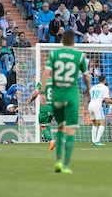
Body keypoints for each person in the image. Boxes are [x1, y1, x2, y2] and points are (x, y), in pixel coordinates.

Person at [40, 30, 91, 174]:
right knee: (71, 130)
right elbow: (86, 77)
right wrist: (88, 90)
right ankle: (66, 165)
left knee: (61, 127)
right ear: (74, 42)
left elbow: (46, 73)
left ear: (62, 41)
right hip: (71, 96)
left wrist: (43, 92)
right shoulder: (79, 56)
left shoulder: (54, 54)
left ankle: (57, 162)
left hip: (57, 96)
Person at [88, 75, 112, 146]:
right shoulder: (104, 87)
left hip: (90, 104)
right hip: (97, 105)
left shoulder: (93, 87)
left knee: (94, 123)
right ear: (104, 80)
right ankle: (97, 141)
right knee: (102, 123)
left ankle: (93, 141)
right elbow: (107, 100)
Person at [27, 76, 55, 150]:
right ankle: (48, 141)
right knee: (48, 123)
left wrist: (31, 100)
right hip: (54, 107)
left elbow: (36, 93)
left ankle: (51, 141)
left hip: (44, 107)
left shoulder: (42, 82)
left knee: (42, 126)